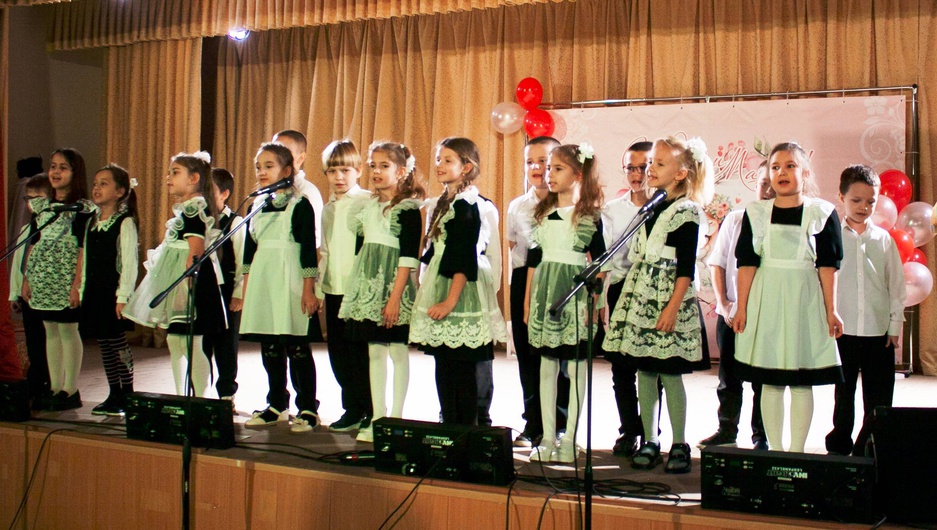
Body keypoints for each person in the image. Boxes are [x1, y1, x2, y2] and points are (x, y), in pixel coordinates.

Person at [604, 136, 714, 474]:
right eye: (650, 162)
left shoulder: (686, 211)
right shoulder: (652, 206)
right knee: (646, 371)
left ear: (680, 174)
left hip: (668, 298)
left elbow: (685, 268)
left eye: (659, 163)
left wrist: (671, 308)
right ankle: (650, 439)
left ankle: (679, 443)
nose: (650, 168)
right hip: (642, 296)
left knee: (669, 373)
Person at [733, 141, 844, 453]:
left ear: (805, 172)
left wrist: (831, 310)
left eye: (790, 166)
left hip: (803, 301)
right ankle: (776, 450)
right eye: (775, 167)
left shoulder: (822, 213)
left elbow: (827, 266)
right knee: (770, 379)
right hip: (767, 300)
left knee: (800, 379)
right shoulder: (755, 213)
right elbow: (747, 264)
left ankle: (796, 451)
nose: (782, 172)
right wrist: (742, 308)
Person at [409, 137, 507, 426]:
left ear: (466, 167)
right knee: (444, 360)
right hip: (441, 280)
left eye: (448, 160)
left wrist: (452, 300)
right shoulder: (442, 203)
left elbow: (466, 255)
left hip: (462, 287)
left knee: (464, 364)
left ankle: (467, 425)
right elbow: (434, 249)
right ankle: (449, 420)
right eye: (438, 159)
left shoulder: (469, 205)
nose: (440, 165)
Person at [524, 143, 606, 464]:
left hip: (574, 295)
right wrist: (528, 302)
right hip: (545, 295)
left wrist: (595, 302)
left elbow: (600, 263)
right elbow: (534, 260)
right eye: (549, 168)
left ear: (578, 175)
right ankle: (547, 436)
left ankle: (570, 437)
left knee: (574, 366)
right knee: (546, 365)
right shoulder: (541, 214)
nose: (549, 174)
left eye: (558, 169)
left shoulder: (588, 217)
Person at [123, 151, 226, 399]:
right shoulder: (186, 209)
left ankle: (199, 398)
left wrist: (189, 283)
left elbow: (195, 249)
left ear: (194, 178)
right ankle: (182, 396)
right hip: (180, 282)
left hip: (189, 282)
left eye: (175, 172)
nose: (168, 177)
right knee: (176, 340)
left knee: (191, 342)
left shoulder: (194, 208)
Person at [340, 141, 424, 442]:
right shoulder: (367, 206)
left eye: (384, 166)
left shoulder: (408, 209)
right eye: (373, 165)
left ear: (401, 171)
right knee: (374, 350)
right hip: (369, 286)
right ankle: (378, 416)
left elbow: (408, 257)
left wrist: (394, 298)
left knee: (397, 351)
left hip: (394, 287)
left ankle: (396, 417)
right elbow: (362, 251)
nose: (376, 171)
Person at [240, 142, 322, 433]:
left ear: (287, 171)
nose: (262, 172)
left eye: (269, 166)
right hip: (264, 279)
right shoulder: (256, 206)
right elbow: (249, 252)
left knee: (296, 345)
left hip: (290, 280)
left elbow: (308, 251)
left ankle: (308, 407)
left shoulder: (300, 204)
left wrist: (309, 290)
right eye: (258, 167)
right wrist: (246, 290)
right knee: (270, 346)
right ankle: (276, 403)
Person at [825, 165, 904, 456]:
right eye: (856, 200)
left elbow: (895, 285)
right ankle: (839, 443)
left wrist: (894, 326)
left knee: (879, 396)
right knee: (843, 393)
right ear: (841, 197)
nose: (863, 207)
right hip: (843, 330)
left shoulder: (883, 239)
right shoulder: (832, 236)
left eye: (870, 201)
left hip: (877, 331)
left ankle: (872, 445)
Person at [698, 165, 773, 450]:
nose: (768, 190)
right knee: (728, 378)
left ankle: (761, 436)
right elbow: (717, 263)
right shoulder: (736, 219)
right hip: (730, 315)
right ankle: (726, 430)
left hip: (766, 315)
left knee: (763, 380)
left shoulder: (785, 225)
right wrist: (724, 303)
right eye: (763, 183)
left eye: (773, 184)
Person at [506, 136, 570, 447]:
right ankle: (532, 422)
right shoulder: (517, 206)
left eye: (544, 161)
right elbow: (513, 247)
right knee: (528, 354)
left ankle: (559, 423)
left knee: (558, 356)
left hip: (558, 279)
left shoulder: (568, 204)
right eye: (530, 161)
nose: (537, 167)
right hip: (524, 280)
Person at [20, 148, 93, 411]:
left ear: (75, 172)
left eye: (63, 167)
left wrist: (76, 285)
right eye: (53, 166)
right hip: (43, 277)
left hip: (66, 278)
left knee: (67, 330)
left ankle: (70, 389)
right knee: (50, 330)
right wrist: (27, 278)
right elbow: (33, 243)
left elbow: (83, 249)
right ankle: (54, 386)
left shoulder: (82, 209)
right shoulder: (42, 207)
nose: (55, 172)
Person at [600, 140, 655, 457]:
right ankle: (628, 430)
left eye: (644, 167)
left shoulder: (666, 207)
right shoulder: (612, 210)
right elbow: (606, 260)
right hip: (621, 289)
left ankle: (651, 433)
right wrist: (601, 300)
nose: (637, 174)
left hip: (653, 290)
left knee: (651, 368)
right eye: (630, 168)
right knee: (621, 369)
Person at [318, 140, 372, 433]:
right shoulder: (328, 209)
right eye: (332, 171)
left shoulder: (366, 202)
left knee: (360, 353)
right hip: (333, 289)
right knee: (338, 353)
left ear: (359, 170)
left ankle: (369, 409)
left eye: (345, 170)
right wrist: (319, 289)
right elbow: (325, 251)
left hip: (358, 290)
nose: (339, 177)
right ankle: (351, 407)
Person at [82, 164, 138, 415]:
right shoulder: (91, 222)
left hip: (113, 293)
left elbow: (129, 263)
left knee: (117, 342)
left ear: (120, 191)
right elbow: (86, 261)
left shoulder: (124, 222)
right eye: (95, 183)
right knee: (104, 342)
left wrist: (123, 296)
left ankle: (127, 391)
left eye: (104, 184)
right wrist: (82, 289)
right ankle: (113, 391)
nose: (97, 188)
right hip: (95, 291)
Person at [9, 174, 52, 406]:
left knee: (47, 340)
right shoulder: (27, 229)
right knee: (33, 339)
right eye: (29, 198)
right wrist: (13, 292)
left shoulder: (53, 229)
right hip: (27, 294)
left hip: (46, 292)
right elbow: (18, 263)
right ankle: (35, 382)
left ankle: (49, 383)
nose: (32, 203)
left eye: (38, 198)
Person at [205, 168, 244, 406]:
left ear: (225, 194)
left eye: (210, 190)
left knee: (226, 344)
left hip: (227, 290)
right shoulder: (198, 219)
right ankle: (201, 391)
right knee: (203, 342)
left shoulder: (235, 222)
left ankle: (227, 392)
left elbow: (241, 261)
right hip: (204, 289)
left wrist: (239, 293)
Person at [272, 130, 326, 248]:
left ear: (300, 158)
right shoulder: (267, 192)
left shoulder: (308, 192)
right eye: (274, 151)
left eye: (284, 152)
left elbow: (314, 238)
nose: (277, 158)